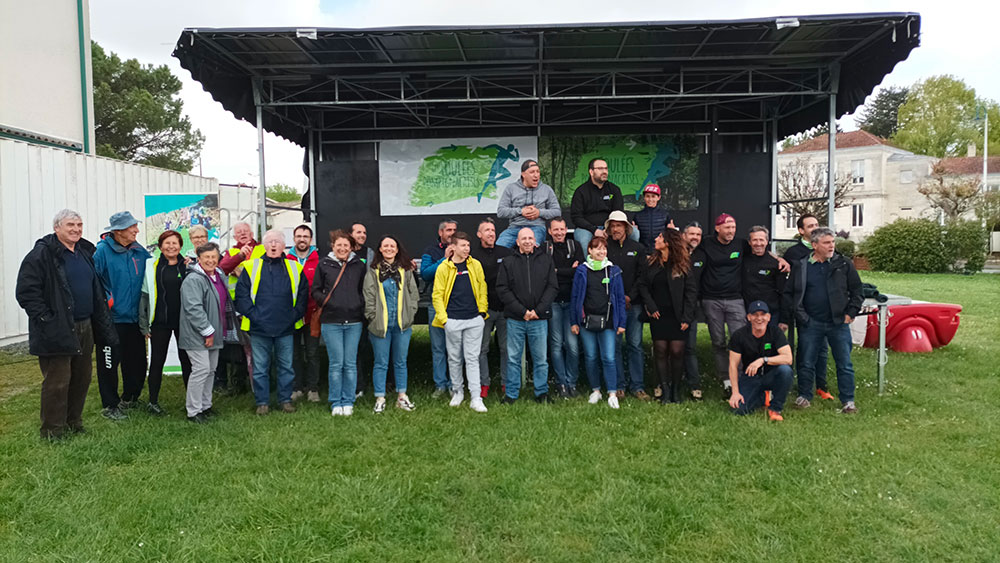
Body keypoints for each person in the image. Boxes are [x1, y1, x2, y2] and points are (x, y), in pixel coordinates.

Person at [16, 209, 117, 439]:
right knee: (57, 381)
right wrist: (46, 319)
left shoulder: (84, 251)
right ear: (57, 228)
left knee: (81, 378)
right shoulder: (42, 254)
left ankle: (74, 422)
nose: (76, 229)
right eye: (70, 225)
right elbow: (26, 292)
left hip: (85, 325)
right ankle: (53, 431)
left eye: (79, 225)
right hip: (57, 327)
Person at [690, 213, 788, 397]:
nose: (731, 231)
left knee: (741, 340)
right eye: (727, 227)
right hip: (711, 300)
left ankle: (744, 378)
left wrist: (778, 259)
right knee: (718, 342)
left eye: (733, 227)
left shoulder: (740, 244)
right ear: (717, 228)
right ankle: (726, 381)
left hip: (735, 299)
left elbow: (761, 250)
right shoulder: (707, 243)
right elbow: (690, 245)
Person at [783, 227, 863, 414]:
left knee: (844, 363)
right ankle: (804, 396)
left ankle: (848, 401)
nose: (831, 246)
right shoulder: (801, 266)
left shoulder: (843, 264)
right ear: (814, 245)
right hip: (811, 323)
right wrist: (802, 317)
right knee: (806, 361)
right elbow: (790, 293)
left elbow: (857, 291)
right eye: (826, 243)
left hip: (838, 323)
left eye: (833, 242)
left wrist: (850, 313)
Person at [234, 230, 308, 415]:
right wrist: (255, 316)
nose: (273, 245)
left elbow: (303, 297)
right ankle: (262, 402)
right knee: (260, 368)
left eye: (277, 242)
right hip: (259, 328)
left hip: (286, 328)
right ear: (264, 246)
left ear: (284, 246)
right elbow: (241, 296)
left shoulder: (295, 268)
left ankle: (285, 400)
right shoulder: (250, 267)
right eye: (270, 242)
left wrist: (292, 317)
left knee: (286, 367)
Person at [93, 211, 151, 419]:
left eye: (135, 226)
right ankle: (110, 405)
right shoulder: (101, 252)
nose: (136, 230)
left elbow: (154, 271)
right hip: (111, 320)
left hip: (135, 318)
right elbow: (93, 282)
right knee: (109, 363)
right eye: (131, 227)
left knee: (137, 362)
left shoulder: (139, 251)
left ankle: (131, 397)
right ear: (118, 231)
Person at [496, 228, 559, 403]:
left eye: (530, 238)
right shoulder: (508, 262)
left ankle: (541, 392)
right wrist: (522, 311)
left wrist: (537, 311)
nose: (527, 241)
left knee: (541, 359)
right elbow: (503, 289)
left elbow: (552, 287)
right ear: (517, 242)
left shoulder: (546, 260)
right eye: (523, 238)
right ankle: (511, 394)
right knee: (513, 359)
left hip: (539, 318)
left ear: (535, 241)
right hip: (516, 318)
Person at [638, 229, 698, 404]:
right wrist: (650, 305)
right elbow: (642, 285)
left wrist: (687, 317)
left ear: (668, 242)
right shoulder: (652, 262)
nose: (656, 239)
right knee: (660, 351)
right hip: (658, 315)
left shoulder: (683, 264)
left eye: (660, 237)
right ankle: (664, 390)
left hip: (678, 315)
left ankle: (676, 391)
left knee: (677, 351)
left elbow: (691, 292)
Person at [432, 232, 490, 413]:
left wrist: (482, 312)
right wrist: (444, 320)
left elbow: (482, 288)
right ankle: (458, 392)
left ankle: (476, 397)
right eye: (463, 245)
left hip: (474, 319)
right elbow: (437, 295)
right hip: (452, 320)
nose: (466, 249)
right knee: (455, 358)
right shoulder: (444, 267)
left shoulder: (475, 264)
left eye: (468, 246)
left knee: (472, 358)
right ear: (453, 247)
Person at [179, 242, 235, 423]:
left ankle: (205, 406)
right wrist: (207, 332)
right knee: (201, 369)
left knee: (210, 370)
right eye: (206, 257)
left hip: (215, 330)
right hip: (197, 333)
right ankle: (193, 411)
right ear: (199, 259)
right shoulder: (193, 280)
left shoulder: (218, 275)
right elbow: (193, 308)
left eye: (213, 257)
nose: (210, 260)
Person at [313, 229, 367, 416]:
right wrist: (328, 302)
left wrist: (358, 304)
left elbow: (363, 290)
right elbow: (315, 290)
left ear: (351, 247)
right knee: (336, 364)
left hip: (354, 322)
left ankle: (348, 400)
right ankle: (336, 402)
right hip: (331, 322)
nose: (342, 248)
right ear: (332, 246)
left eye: (346, 245)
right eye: (339, 245)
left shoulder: (358, 265)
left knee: (350, 364)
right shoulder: (323, 264)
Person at [363, 235, 419, 413]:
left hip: (402, 325)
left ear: (397, 249)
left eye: (392, 246)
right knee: (381, 362)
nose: (389, 249)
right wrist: (372, 317)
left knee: (401, 362)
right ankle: (380, 398)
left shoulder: (405, 270)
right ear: (380, 249)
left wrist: (411, 312)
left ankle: (402, 396)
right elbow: (368, 296)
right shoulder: (373, 272)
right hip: (381, 325)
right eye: (385, 246)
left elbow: (413, 293)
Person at [139, 230, 191, 416]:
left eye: (175, 243)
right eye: (167, 243)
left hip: (183, 323)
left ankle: (192, 401)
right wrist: (144, 323)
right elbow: (144, 296)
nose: (171, 247)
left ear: (180, 246)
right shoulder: (151, 266)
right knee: (157, 362)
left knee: (187, 361)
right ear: (160, 246)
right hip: (159, 322)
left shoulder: (188, 266)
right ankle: (153, 401)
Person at [570, 236, 627, 409]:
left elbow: (620, 298)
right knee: (591, 357)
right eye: (597, 248)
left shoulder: (613, 270)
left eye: (604, 248)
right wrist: (574, 321)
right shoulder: (582, 270)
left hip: (608, 322)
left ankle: (612, 393)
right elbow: (575, 297)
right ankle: (596, 390)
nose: (601, 251)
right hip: (587, 322)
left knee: (609, 357)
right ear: (590, 250)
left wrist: (622, 322)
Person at [782, 213, 833, 402]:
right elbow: (789, 285)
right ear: (801, 231)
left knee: (822, 351)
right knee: (805, 352)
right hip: (804, 313)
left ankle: (821, 386)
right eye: (810, 226)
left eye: (816, 224)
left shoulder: (828, 252)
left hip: (824, 313)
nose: (814, 228)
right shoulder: (793, 253)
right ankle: (803, 389)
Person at [604, 210, 648, 400]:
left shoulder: (638, 248)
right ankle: (619, 385)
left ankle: (638, 386)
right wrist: (618, 299)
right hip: (612, 306)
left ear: (626, 228)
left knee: (635, 345)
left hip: (634, 304)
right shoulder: (604, 248)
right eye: (612, 226)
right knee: (615, 346)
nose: (615, 229)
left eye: (619, 226)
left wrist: (630, 296)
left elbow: (642, 276)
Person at [727, 301, 794, 421]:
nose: (759, 318)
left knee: (785, 370)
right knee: (738, 410)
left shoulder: (776, 332)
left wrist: (763, 360)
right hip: (750, 376)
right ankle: (762, 397)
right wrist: (735, 392)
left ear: (768, 317)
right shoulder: (739, 335)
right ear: (749, 317)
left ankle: (775, 408)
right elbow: (733, 365)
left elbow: (788, 358)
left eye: (763, 315)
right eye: (755, 315)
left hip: (771, 375)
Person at [218, 221, 262, 395]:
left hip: (259, 303)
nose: (243, 234)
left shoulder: (262, 249)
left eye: (246, 231)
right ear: (234, 236)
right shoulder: (231, 252)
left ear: (252, 233)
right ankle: (239, 384)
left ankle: (261, 383)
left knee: (259, 344)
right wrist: (239, 258)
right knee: (238, 347)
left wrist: (239, 271)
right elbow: (222, 269)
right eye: (239, 232)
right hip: (237, 306)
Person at [471, 218, 511, 399]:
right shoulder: (472, 255)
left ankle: (506, 383)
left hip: (504, 309)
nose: (491, 233)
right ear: (479, 234)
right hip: (483, 311)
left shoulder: (506, 253)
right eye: (487, 230)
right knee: (481, 349)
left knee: (506, 349)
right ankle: (483, 384)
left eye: (493, 230)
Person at [545, 217, 584, 398]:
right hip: (553, 302)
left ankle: (572, 383)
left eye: (562, 229)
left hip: (571, 303)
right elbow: (546, 274)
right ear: (549, 231)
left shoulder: (574, 246)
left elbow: (580, 271)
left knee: (572, 345)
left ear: (566, 229)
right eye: (555, 229)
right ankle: (561, 383)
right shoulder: (544, 248)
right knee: (556, 345)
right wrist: (569, 270)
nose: (559, 233)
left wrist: (557, 271)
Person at [421, 219, 458, 397]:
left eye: (454, 230)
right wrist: (444, 259)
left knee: (455, 348)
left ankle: (454, 384)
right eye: (448, 230)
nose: (452, 233)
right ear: (441, 233)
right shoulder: (430, 251)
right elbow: (426, 274)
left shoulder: (462, 250)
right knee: (438, 348)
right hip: (436, 305)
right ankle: (440, 384)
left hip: (457, 305)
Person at [570, 158, 638, 247]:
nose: (604, 171)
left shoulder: (614, 189)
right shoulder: (581, 191)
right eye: (600, 169)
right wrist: (594, 230)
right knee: (584, 240)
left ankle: (630, 256)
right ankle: (588, 257)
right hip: (587, 228)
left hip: (610, 226)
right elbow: (576, 217)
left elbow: (618, 212)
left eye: (606, 168)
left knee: (634, 233)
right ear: (591, 172)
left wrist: (609, 228)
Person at [287, 225, 321, 403]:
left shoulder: (319, 261)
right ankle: (297, 387)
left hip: (312, 315)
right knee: (294, 354)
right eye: (299, 236)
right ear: (294, 239)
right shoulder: (286, 259)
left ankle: (313, 389)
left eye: (305, 236)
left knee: (313, 353)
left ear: (311, 240)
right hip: (291, 315)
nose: (302, 239)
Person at [496, 160, 561, 248]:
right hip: (514, 228)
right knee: (499, 249)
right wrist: (521, 211)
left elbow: (557, 212)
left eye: (538, 172)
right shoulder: (511, 188)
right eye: (532, 172)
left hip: (536, 228)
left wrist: (539, 213)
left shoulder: (547, 189)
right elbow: (501, 212)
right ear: (523, 174)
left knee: (532, 247)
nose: (536, 175)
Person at [743, 226, 786, 329]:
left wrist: (784, 320)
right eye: (755, 240)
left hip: (771, 313)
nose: (758, 243)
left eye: (761, 240)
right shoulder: (742, 260)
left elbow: (783, 292)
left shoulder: (776, 264)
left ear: (767, 242)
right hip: (748, 312)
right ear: (749, 242)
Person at [680, 222, 705, 400]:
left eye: (698, 234)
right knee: (670, 348)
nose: (695, 237)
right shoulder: (674, 253)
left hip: (692, 308)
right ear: (683, 235)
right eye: (692, 234)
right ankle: (670, 383)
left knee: (690, 348)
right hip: (673, 307)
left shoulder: (703, 255)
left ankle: (694, 385)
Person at [632, 184, 675, 251]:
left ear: (658, 197)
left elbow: (670, 235)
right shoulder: (637, 215)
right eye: (647, 196)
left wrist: (672, 230)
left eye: (653, 196)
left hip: (660, 251)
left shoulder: (665, 215)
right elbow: (635, 236)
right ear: (644, 197)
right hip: (643, 252)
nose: (650, 199)